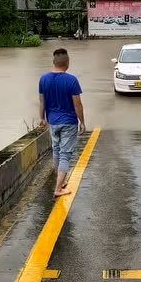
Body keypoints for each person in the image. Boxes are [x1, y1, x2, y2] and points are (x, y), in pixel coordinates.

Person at [39, 48, 85, 197]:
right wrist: (82, 121)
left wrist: (42, 118)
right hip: (69, 122)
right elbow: (77, 104)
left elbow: (42, 102)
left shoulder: (43, 79)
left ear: (54, 62)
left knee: (57, 151)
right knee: (65, 154)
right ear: (67, 63)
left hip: (53, 121)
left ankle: (61, 181)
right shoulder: (71, 80)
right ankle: (58, 189)